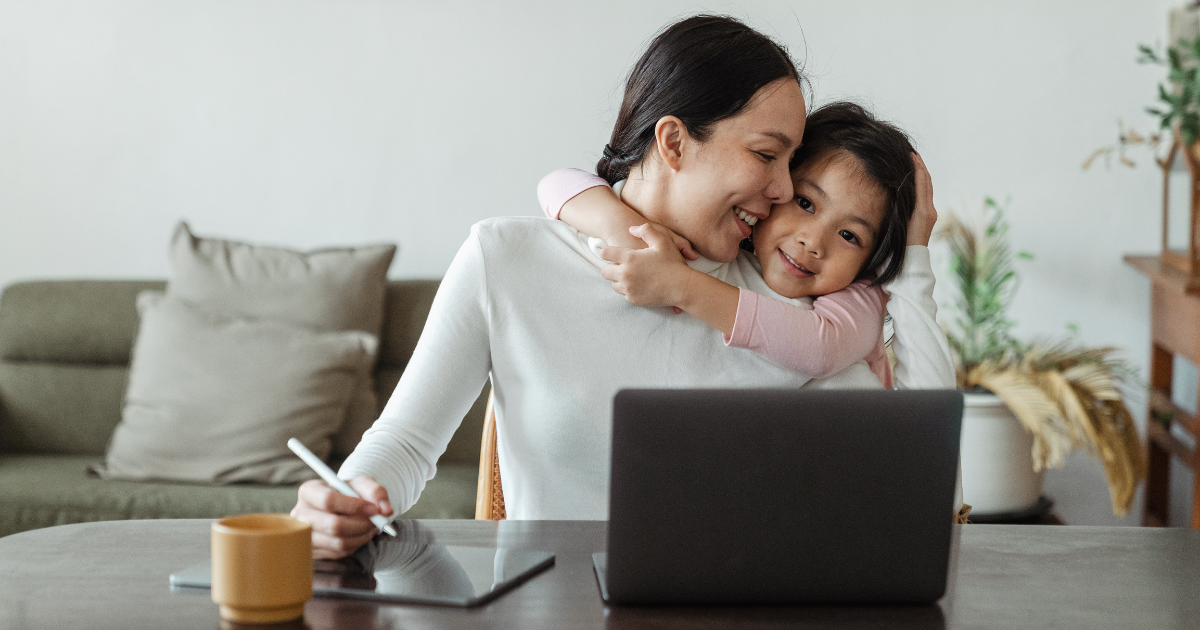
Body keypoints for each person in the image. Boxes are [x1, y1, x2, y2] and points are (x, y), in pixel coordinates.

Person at [291, 15, 953, 559]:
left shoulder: (795, 303)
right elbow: (405, 444)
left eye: (791, 163)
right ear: (673, 142)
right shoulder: (507, 259)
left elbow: (918, 465)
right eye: (765, 155)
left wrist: (916, 255)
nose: (783, 191)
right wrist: (346, 496)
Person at [537, 102, 934, 388]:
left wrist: (681, 285)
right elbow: (556, 182)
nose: (813, 242)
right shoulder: (732, 246)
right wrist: (625, 228)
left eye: (850, 236)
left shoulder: (860, 294)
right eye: (806, 203)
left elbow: (822, 348)